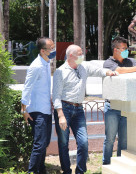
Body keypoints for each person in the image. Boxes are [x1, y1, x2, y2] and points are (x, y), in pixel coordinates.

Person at [52, 44, 117, 174]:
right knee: (64, 143)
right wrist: (60, 115)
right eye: (80, 53)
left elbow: (98, 71)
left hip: (79, 109)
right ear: (71, 55)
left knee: (83, 142)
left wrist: (108, 72)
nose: (83, 56)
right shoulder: (60, 71)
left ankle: (80, 171)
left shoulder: (83, 67)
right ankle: (66, 171)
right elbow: (56, 95)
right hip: (64, 109)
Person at [102, 37, 136, 165]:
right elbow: (118, 71)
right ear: (115, 50)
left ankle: (121, 165)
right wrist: (135, 68)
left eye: (127, 49)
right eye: (124, 49)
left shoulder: (130, 61)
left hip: (127, 107)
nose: (127, 51)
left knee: (124, 140)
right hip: (112, 107)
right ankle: (107, 164)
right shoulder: (108, 63)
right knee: (110, 139)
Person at [21, 37, 56, 174]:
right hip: (37, 111)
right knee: (39, 144)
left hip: (46, 110)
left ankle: (41, 170)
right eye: (51, 48)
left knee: (45, 143)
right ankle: (32, 171)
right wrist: (24, 110)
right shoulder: (36, 66)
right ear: (43, 50)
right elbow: (27, 88)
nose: (53, 50)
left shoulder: (46, 63)